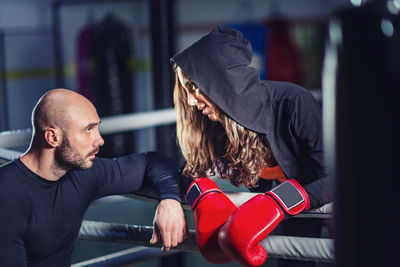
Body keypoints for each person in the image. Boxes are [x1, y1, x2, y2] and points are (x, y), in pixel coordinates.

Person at [171, 26, 333, 266]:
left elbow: (337, 177)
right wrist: (199, 197)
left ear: (222, 81)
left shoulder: (294, 104)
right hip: (294, 208)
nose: (191, 100)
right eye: (186, 90)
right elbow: (187, 171)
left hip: (330, 200)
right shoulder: (217, 125)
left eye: (194, 87)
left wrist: (277, 201)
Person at [0, 89, 187, 266]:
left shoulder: (84, 174)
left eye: (97, 128)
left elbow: (152, 162)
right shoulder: (7, 194)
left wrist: (169, 200)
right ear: (53, 137)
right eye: (88, 129)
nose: (100, 140)